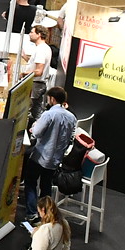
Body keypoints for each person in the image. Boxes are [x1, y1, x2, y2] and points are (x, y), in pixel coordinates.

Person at [24, 87, 78, 222]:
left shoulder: (49, 114)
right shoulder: (71, 117)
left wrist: (34, 127)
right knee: (46, 186)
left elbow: (37, 133)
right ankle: (45, 215)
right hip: (55, 160)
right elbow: (71, 136)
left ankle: (32, 213)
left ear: (52, 99)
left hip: (40, 156)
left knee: (30, 182)